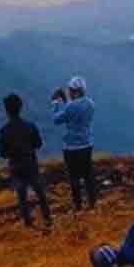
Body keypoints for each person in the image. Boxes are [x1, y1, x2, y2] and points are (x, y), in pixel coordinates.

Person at [0, 93, 52, 228]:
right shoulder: (30, 126)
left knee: (22, 196)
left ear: (6, 110)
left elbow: (2, 153)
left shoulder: (3, 131)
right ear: (20, 107)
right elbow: (38, 144)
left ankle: (28, 223)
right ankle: (47, 218)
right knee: (40, 192)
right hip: (30, 163)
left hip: (15, 166)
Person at [52, 75, 99, 211]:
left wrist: (55, 102)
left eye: (71, 90)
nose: (69, 92)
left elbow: (57, 119)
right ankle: (92, 204)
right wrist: (66, 101)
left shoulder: (71, 106)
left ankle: (78, 206)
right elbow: (73, 111)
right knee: (88, 175)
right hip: (86, 144)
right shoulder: (91, 104)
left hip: (71, 147)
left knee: (74, 178)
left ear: (76, 91)